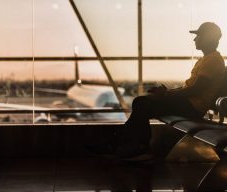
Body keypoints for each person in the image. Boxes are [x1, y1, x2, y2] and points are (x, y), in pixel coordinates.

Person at [87, 22, 225, 162]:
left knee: (142, 103)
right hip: (189, 104)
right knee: (142, 102)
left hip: (193, 107)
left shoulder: (212, 61)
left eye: (199, 36)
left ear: (207, 38)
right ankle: (130, 146)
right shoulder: (207, 59)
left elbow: (195, 90)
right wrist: (167, 92)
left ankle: (132, 147)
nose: (195, 39)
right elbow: (190, 88)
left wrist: (166, 94)